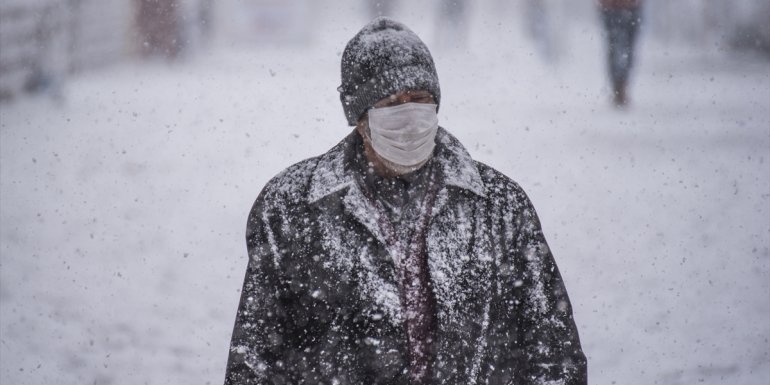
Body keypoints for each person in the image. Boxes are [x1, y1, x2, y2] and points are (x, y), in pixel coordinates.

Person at [224, 17, 586, 385]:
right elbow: (255, 359)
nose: (410, 116)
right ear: (360, 117)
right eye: (391, 103)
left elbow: (553, 350)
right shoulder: (291, 209)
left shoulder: (499, 206)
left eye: (420, 99)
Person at [598, 0, 643, 107]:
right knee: (619, 47)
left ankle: (620, 86)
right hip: (616, 8)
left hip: (622, 7)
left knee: (621, 47)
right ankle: (619, 87)